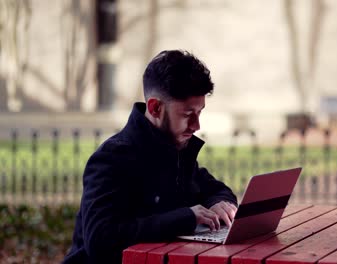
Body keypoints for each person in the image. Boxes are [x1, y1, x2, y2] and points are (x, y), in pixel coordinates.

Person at [63, 50, 238, 264]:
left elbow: (214, 188)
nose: (196, 126)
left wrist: (220, 203)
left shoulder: (177, 149)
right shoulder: (112, 158)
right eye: (187, 114)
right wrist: (186, 218)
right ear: (155, 107)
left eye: (199, 113)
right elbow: (100, 240)